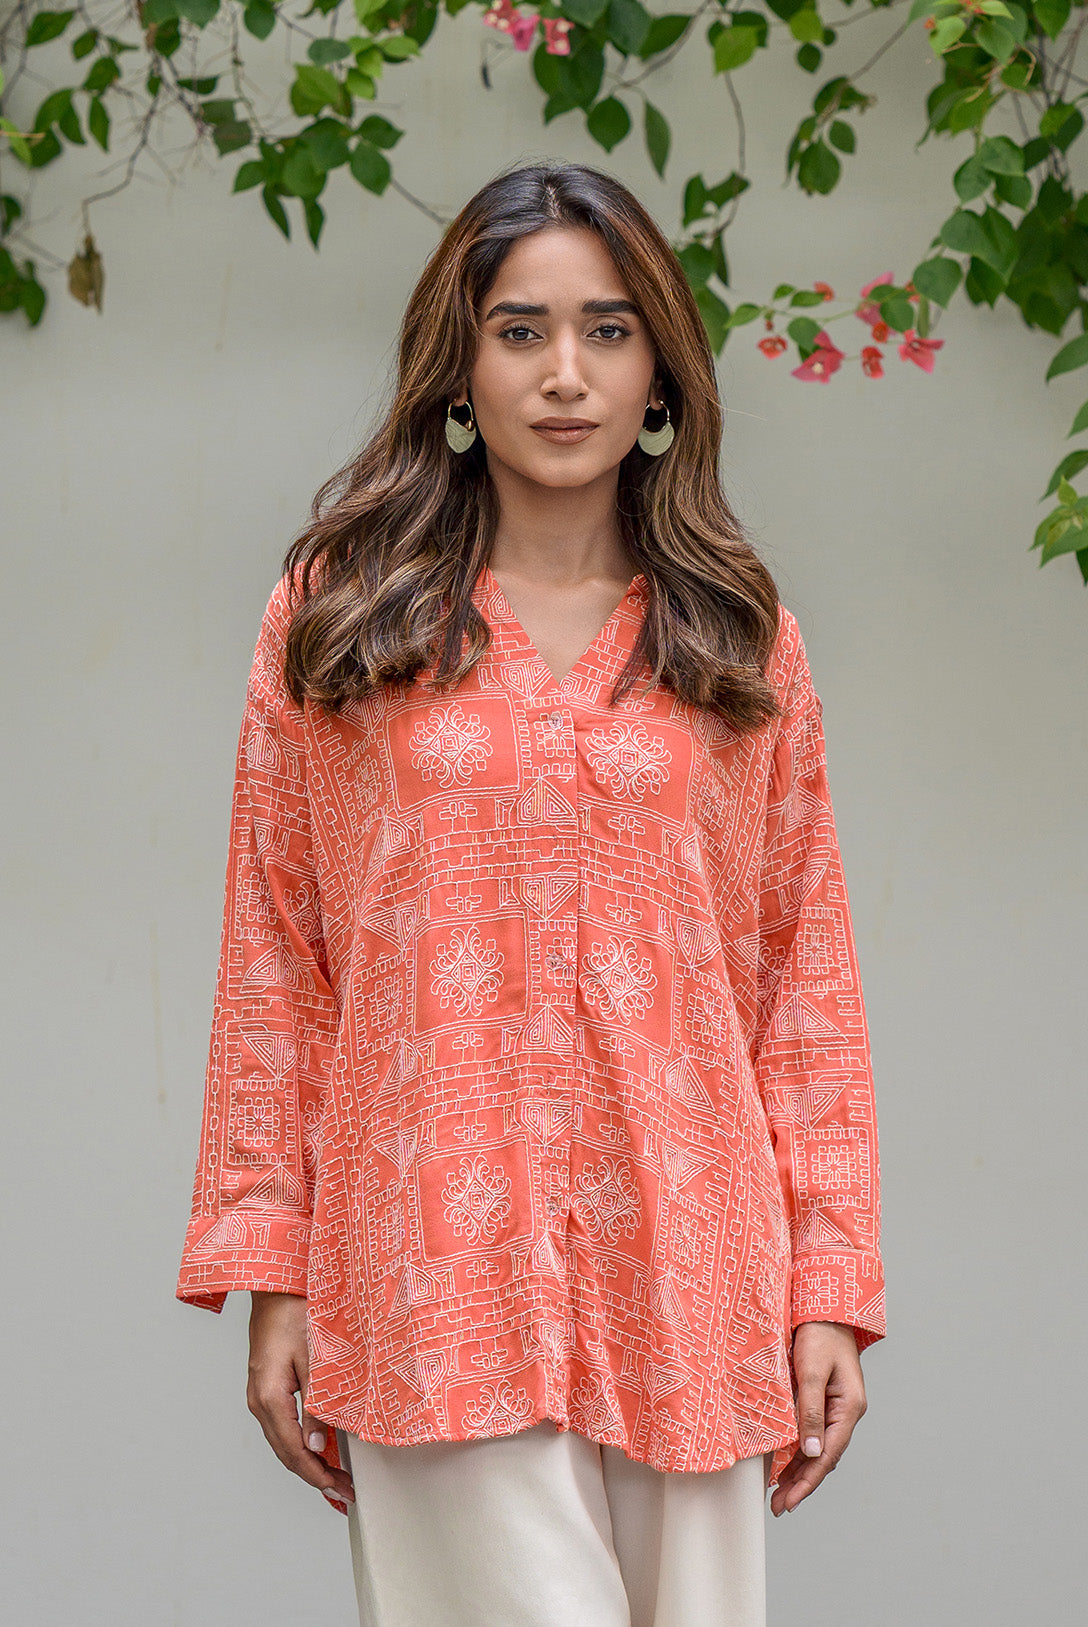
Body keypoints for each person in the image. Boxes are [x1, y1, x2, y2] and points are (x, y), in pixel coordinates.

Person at [176, 160, 886, 1626]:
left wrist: (829, 1279)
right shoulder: (340, 622)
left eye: (610, 331)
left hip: (695, 1280)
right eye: (521, 331)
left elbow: (800, 975)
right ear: (461, 365)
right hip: (429, 1274)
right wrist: (276, 1266)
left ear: (661, 374)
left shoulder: (740, 644)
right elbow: (277, 957)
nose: (566, 374)